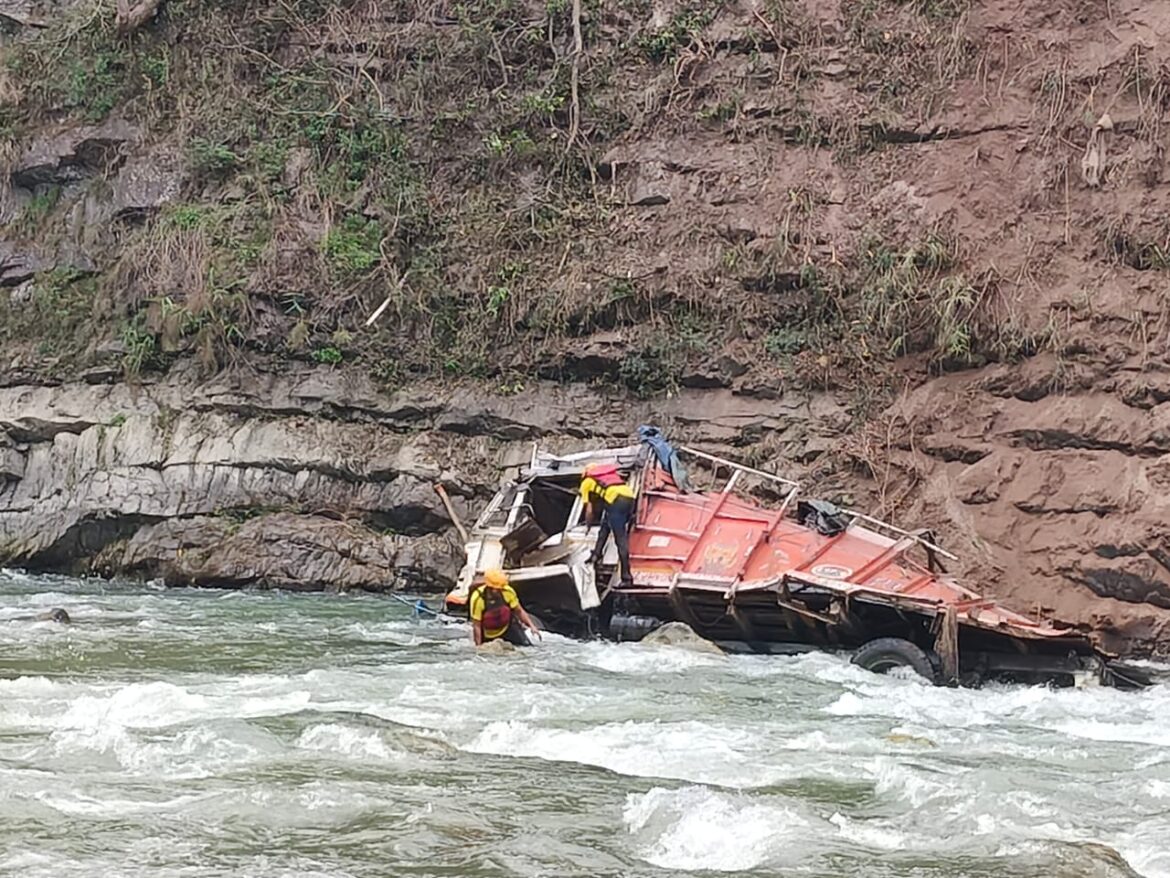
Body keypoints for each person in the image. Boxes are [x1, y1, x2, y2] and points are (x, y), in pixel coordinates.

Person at [580, 462, 636, 587]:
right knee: (605, 526)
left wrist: (588, 525)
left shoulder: (586, 483)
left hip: (616, 502)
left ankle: (627, 579)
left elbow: (589, 509)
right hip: (630, 498)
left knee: (620, 540)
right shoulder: (609, 477)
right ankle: (596, 555)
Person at [469, 568, 542, 647]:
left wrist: (532, 626)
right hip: (488, 634)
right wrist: (478, 646)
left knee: (527, 647)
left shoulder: (507, 591)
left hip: (508, 628)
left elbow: (519, 611)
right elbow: (477, 625)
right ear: (490, 587)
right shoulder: (478, 598)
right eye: (497, 588)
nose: (500, 589)